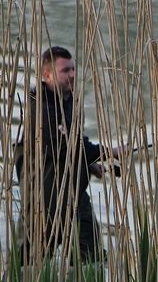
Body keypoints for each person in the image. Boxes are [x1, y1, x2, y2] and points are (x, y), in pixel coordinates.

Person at [17, 46, 122, 264]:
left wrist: (89, 166)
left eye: (73, 69)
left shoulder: (69, 101)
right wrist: (109, 152)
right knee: (29, 264)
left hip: (73, 195)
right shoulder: (40, 108)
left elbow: (73, 144)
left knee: (91, 255)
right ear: (47, 75)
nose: (73, 74)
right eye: (65, 70)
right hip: (45, 200)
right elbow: (67, 147)